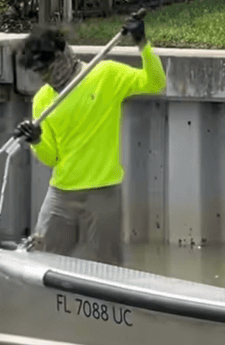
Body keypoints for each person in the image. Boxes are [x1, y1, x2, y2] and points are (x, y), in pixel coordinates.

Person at [15, 15, 167, 266]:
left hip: (103, 194)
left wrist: (142, 43)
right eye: (38, 72)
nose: (45, 77)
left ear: (62, 53)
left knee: (108, 267)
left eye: (46, 67)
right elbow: (52, 158)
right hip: (61, 195)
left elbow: (156, 83)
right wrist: (37, 140)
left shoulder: (106, 74)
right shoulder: (42, 100)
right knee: (40, 258)